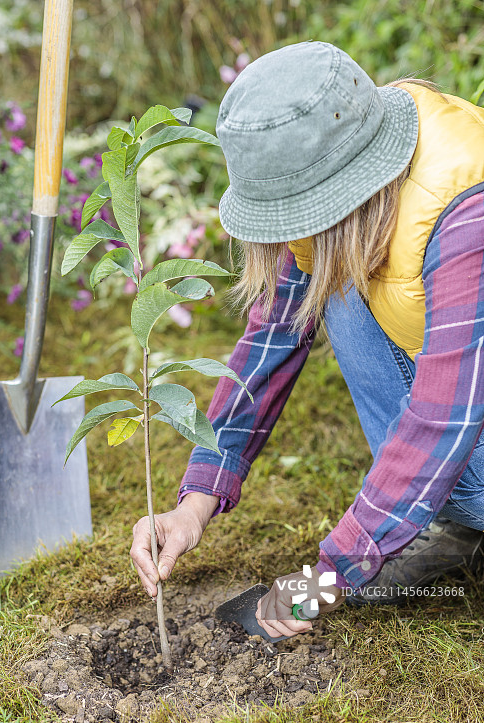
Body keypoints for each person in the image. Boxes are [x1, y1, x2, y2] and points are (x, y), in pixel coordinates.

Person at [131, 41, 484, 640]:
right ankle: (457, 520)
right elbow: (271, 340)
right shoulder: (344, 144)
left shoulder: (467, 215)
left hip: (460, 418)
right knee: (335, 278)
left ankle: (455, 512)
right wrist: (196, 500)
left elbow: (443, 420)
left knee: (341, 278)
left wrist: (324, 580)